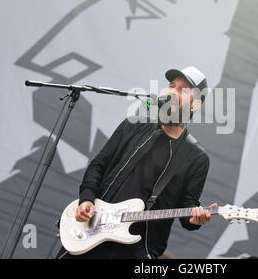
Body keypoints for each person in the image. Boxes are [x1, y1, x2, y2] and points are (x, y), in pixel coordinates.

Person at [56, 66, 216, 259]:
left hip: (134, 250)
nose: (173, 91)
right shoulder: (132, 125)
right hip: (91, 231)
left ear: (195, 104)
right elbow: (99, 165)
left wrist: (195, 219)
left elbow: (188, 210)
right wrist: (87, 199)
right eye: (172, 86)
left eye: (182, 90)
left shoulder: (196, 157)